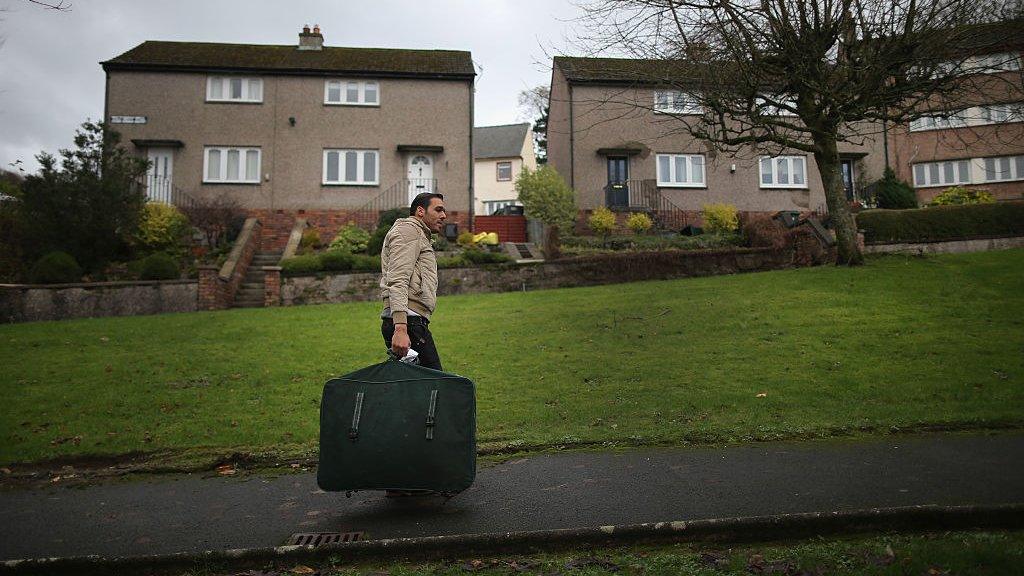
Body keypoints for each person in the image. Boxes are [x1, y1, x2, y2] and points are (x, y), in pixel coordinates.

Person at [379, 192, 447, 371]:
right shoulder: (408, 231)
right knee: (433, 383)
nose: (444, 215)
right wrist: (400, 328)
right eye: (438, 209)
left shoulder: (418, 234)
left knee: (415, 387)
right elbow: (398, 278)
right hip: (408, 322)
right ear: (420, 211)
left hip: (411, 321)